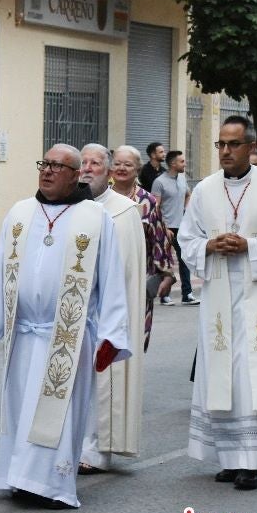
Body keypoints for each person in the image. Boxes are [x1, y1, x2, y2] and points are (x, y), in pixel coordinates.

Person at [0, 144, 131, 509]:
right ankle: (19, 477)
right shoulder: (20, 212)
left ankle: (50, 485)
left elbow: (111, 279)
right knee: (19, 409)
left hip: (68, 336)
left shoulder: (95, 218)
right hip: (24, 333)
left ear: (76, 175)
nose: (47, 171)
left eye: (58, 166)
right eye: (44, 163)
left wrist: (112, 334)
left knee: (55, 413)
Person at [178, 115, 257, 491]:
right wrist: (210, 246)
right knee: (221, 373)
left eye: (233, 145)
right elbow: (187, 237)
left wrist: (251, 246)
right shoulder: (204, 190)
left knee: (252, 375)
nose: (225, 152)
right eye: (220, 145)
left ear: (251, 147)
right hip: (217, 293)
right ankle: (230, 458)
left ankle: (252, 463)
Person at [75, 144, 146, 475]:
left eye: (95, 163)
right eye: (83, 162)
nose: (88, 168)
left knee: (101, 379)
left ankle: (98, 447)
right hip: (73, 308)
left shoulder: (123, 211)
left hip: (105, 309)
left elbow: (128, 271)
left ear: (108, 171)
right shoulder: (68, 204)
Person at [111, 145, 180, 345]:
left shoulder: (147, 201)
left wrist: (166, 275)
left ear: (137, 169)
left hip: (138, 279)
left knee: (134, 339)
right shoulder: (99, 198)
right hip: (105, 278)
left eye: (128, 164)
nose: (122, 168)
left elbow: (159, 239)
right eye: (117, 163)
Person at [151, 150, 197, 306]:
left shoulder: (182, 179)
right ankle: (165, 295)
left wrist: (186, 212)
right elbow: (155, 206)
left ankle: (187, 294)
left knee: (184, 260)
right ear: (173, 164)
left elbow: (188, 194)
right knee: (166, 263)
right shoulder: (160, 182)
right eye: (182, 161)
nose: (185, 164)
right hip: (165, 228)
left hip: (181, 227)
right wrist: (163, 226)